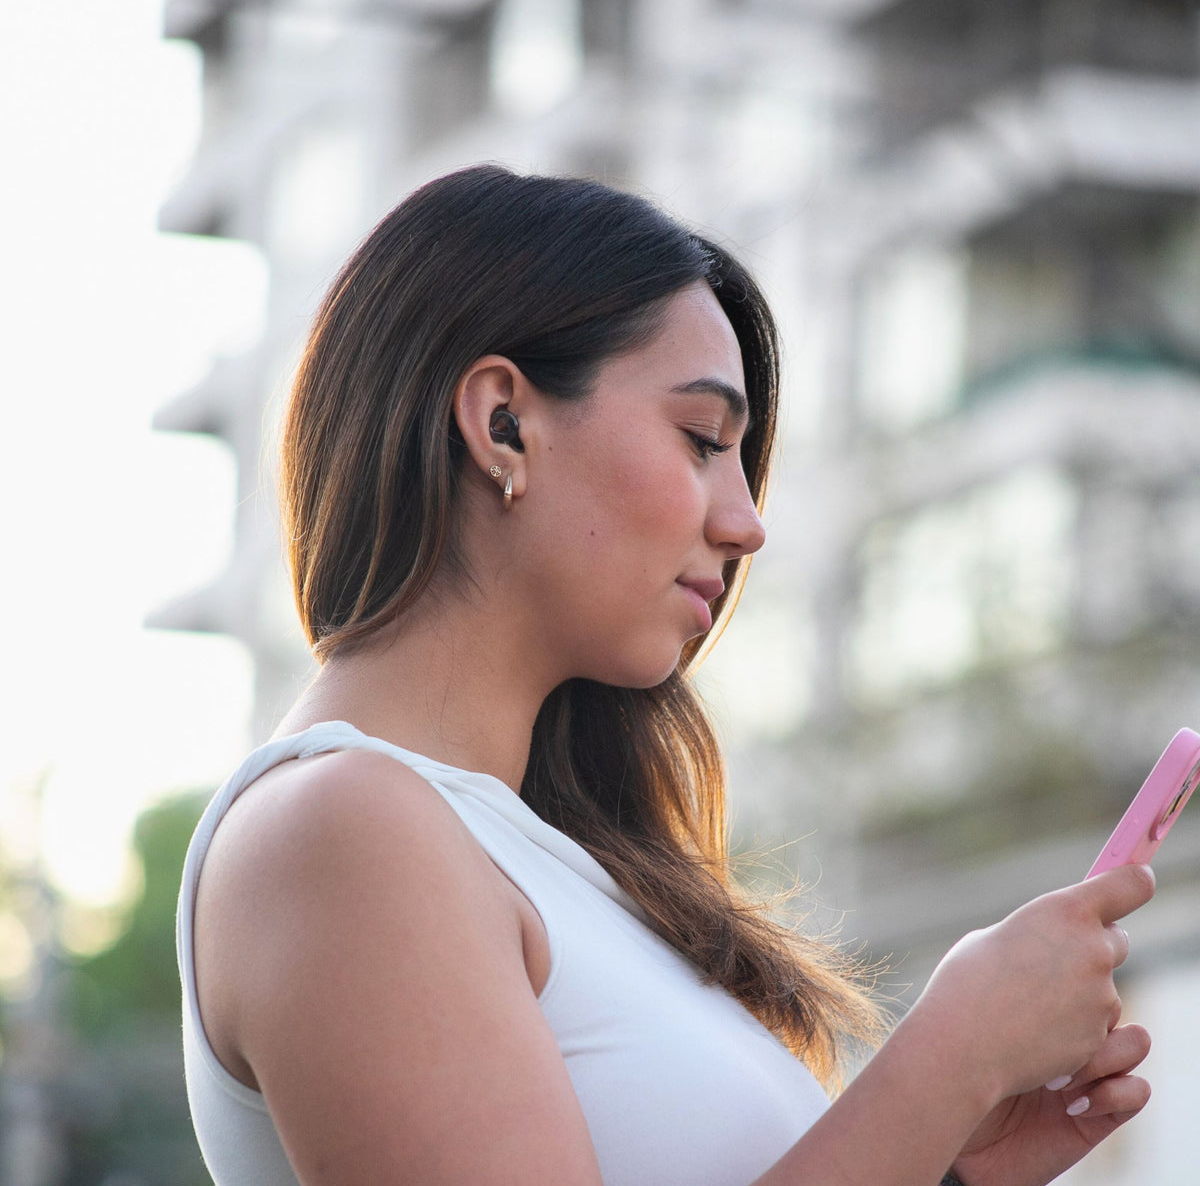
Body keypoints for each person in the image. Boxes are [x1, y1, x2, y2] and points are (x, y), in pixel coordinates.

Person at [177, 164, 1156, 1186]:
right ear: (503, 423)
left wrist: (949, 1171)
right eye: (700, 440)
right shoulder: (340, 829)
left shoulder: (545, 864)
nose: (746, 522)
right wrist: (949, 1062)